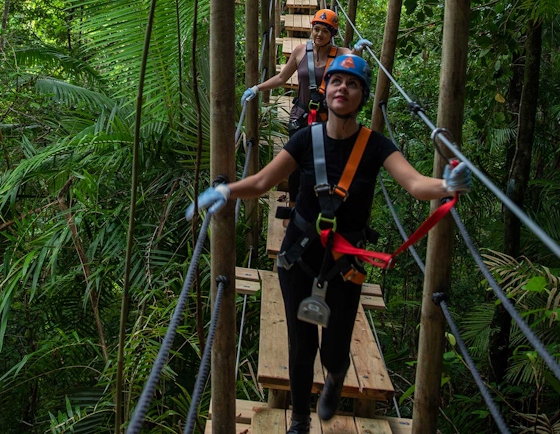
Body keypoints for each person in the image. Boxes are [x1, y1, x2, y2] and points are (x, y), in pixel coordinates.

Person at [187, 54, 472, 433]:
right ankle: (301, 420)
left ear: (361, 96)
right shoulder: (305, 139)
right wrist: (225, 191)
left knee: (336, 350)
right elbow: (261, 182)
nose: (343, 88)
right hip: (298, 257)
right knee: (301, 347)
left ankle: (335, 379)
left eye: (352, 84)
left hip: (344, 265)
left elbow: (415, 184)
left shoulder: (376, 146)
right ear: (326, 89)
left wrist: (446, 186)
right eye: (337, 81)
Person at [240, 9, 372, 205]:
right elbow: (282, 78)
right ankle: (293, 207)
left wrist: (358, 50)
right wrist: (257, 88)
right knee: (296, 164)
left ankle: (316, 207)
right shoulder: (300, 51)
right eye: (316, 29)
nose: (319, 34)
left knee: (324, 164)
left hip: (327, 119)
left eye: (325, 31)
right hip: (301, 115)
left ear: (332, 35)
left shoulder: (341, 54)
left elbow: (353, 63)